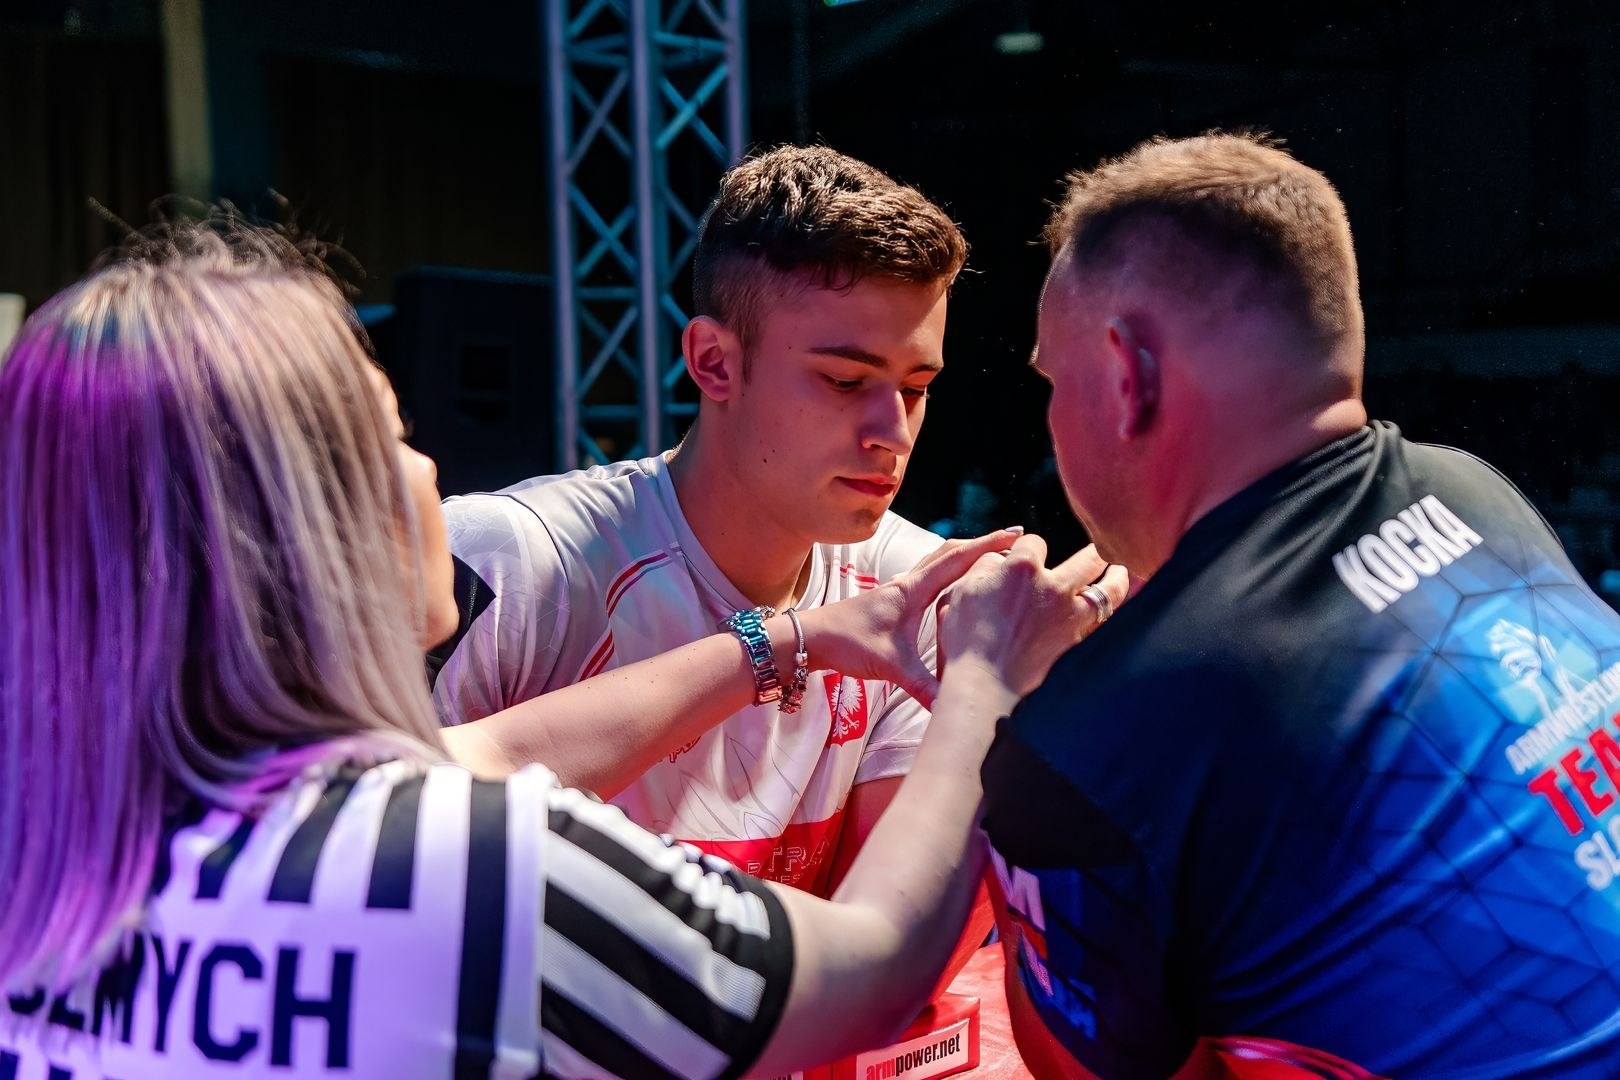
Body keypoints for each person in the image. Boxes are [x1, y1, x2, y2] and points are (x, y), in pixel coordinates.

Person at [0, 213, 1126, 1078]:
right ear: (301, 517)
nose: (426, 466)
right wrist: (988, 678)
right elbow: (866, 975)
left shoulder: (59, 848)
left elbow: (471, 754)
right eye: (386, 434)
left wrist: (788, 638)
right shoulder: (466, 863)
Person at [981, 131, 1620, 1078]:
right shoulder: (1480, 493)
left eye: (1052, 380)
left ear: (1127, 375)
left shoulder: (1092, 743)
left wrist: (1011, 719)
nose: (1049, 418)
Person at [431, 145, 970, 901]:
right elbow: (352, 840)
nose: (894, 431)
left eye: (915, 388)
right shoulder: (510, 562)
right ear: (714, 363)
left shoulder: (917, 585)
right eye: (846, 381)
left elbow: (878, 941)